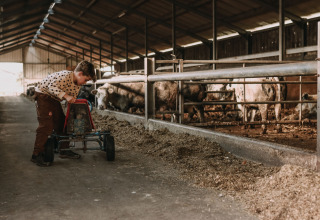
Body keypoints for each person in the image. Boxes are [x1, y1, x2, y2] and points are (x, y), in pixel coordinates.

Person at [31, 60, 96, 166]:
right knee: (46, 125)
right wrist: (66, 96)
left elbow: (72, 101)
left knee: (62, 123)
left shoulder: (77, 85)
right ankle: (36, 154)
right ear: (80, 74)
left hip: (55, 99)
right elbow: (51, 87)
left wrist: (75, 118)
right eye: (86, 79)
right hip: (43, 95)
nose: (85, 83)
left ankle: (64, 149)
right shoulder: (65, 76)